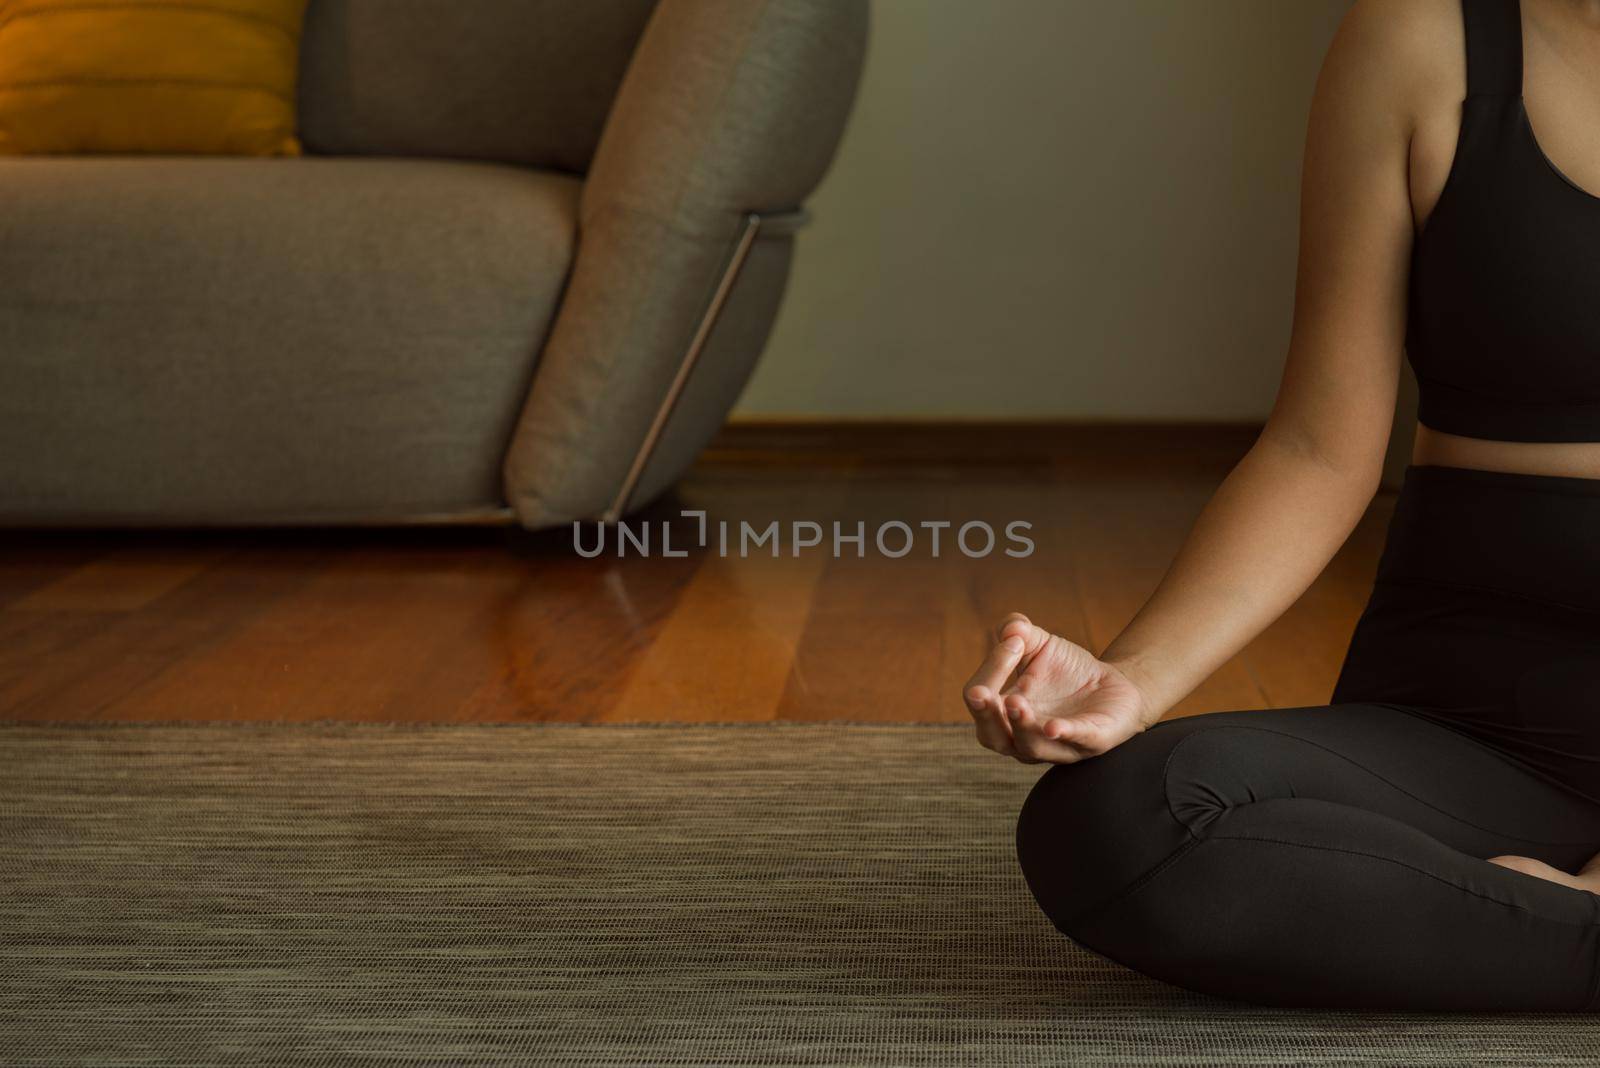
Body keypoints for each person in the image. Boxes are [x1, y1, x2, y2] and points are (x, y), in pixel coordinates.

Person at [969, 0, 1600, 1011]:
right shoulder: (1420, 39)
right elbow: (1317, 448)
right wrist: (1130, 679)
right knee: (1123, 817)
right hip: (1471, 728)